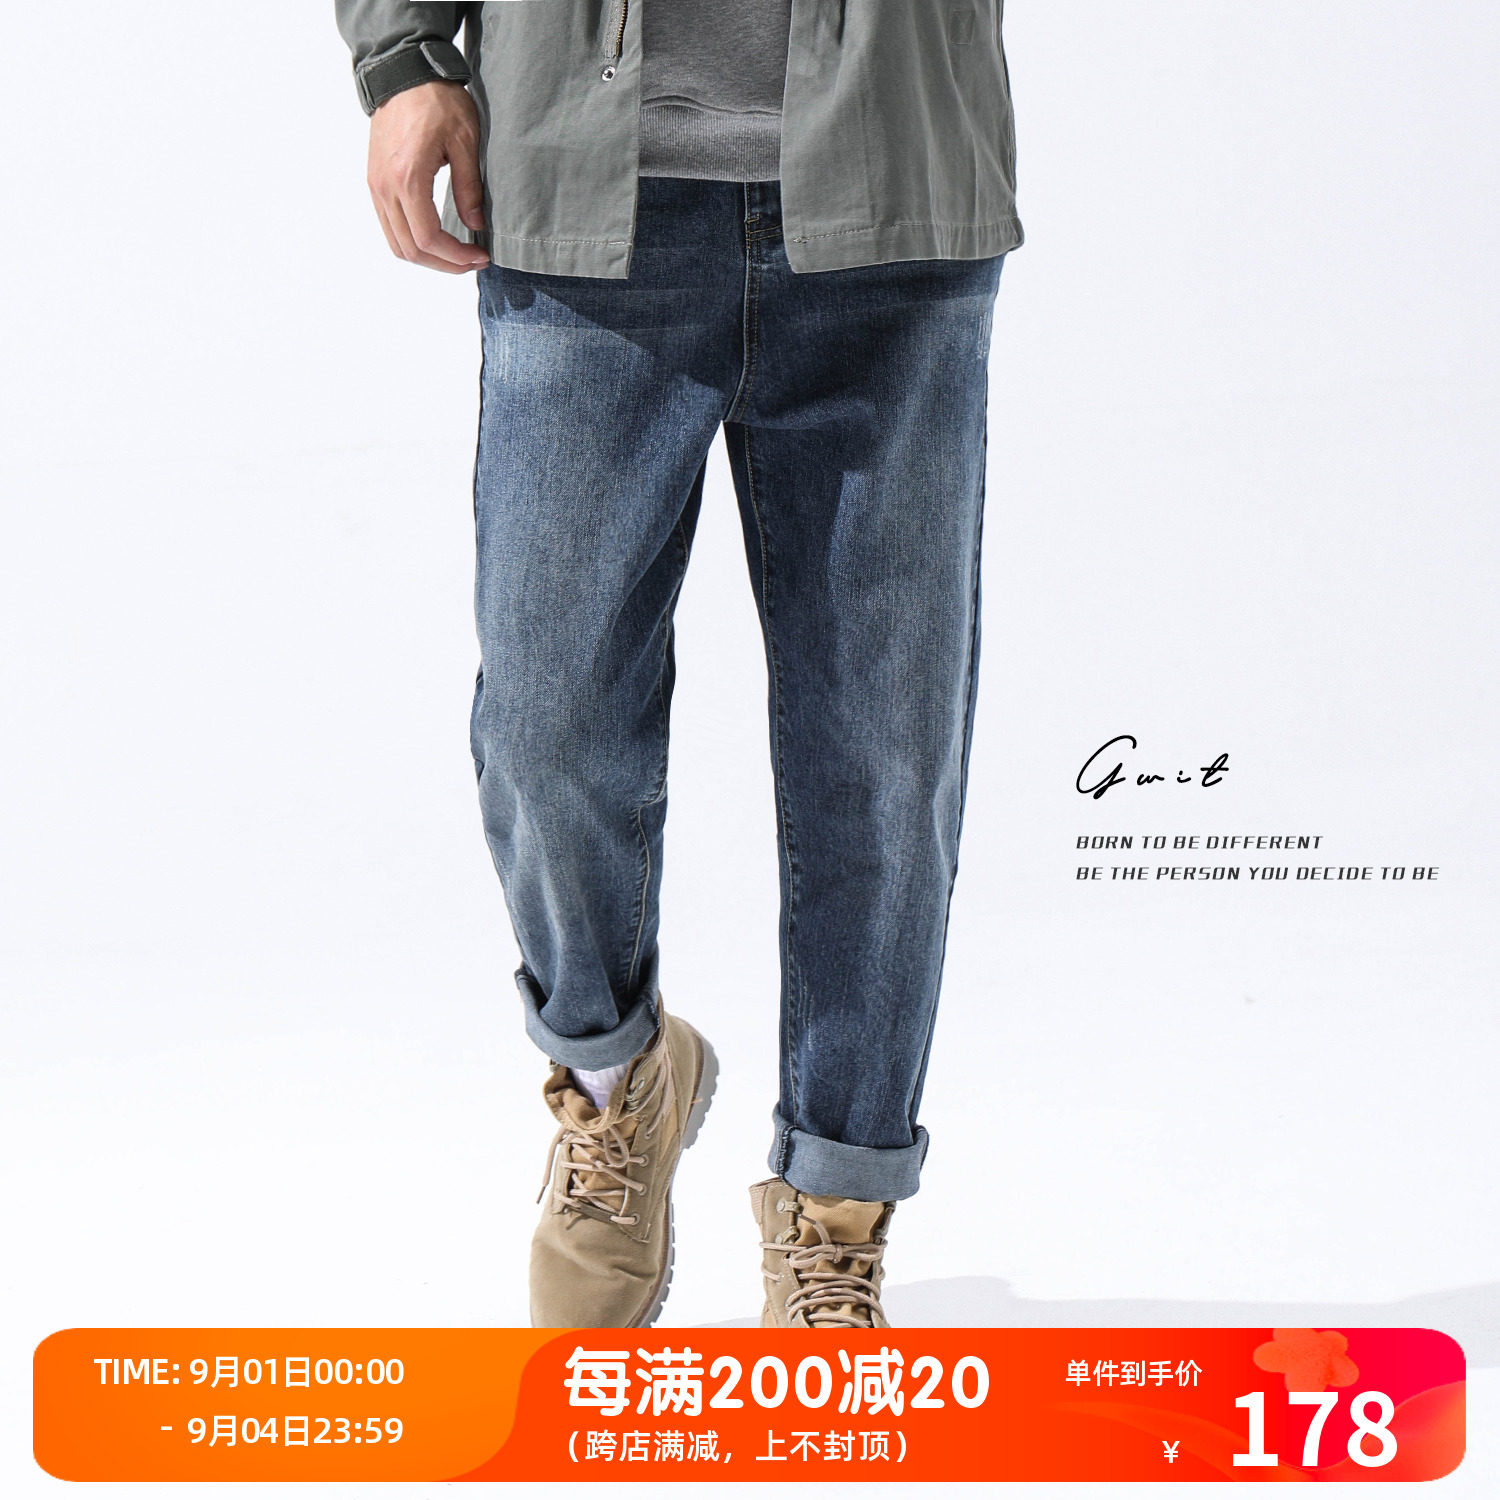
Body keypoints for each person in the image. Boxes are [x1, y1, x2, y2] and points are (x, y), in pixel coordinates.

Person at [334, 0, 1022, 1330]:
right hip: (584, 185)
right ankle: (613, 1082)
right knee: (544, 722)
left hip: (894, 181)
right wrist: (404, 57)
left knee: (887, 753)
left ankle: (836, 1210)